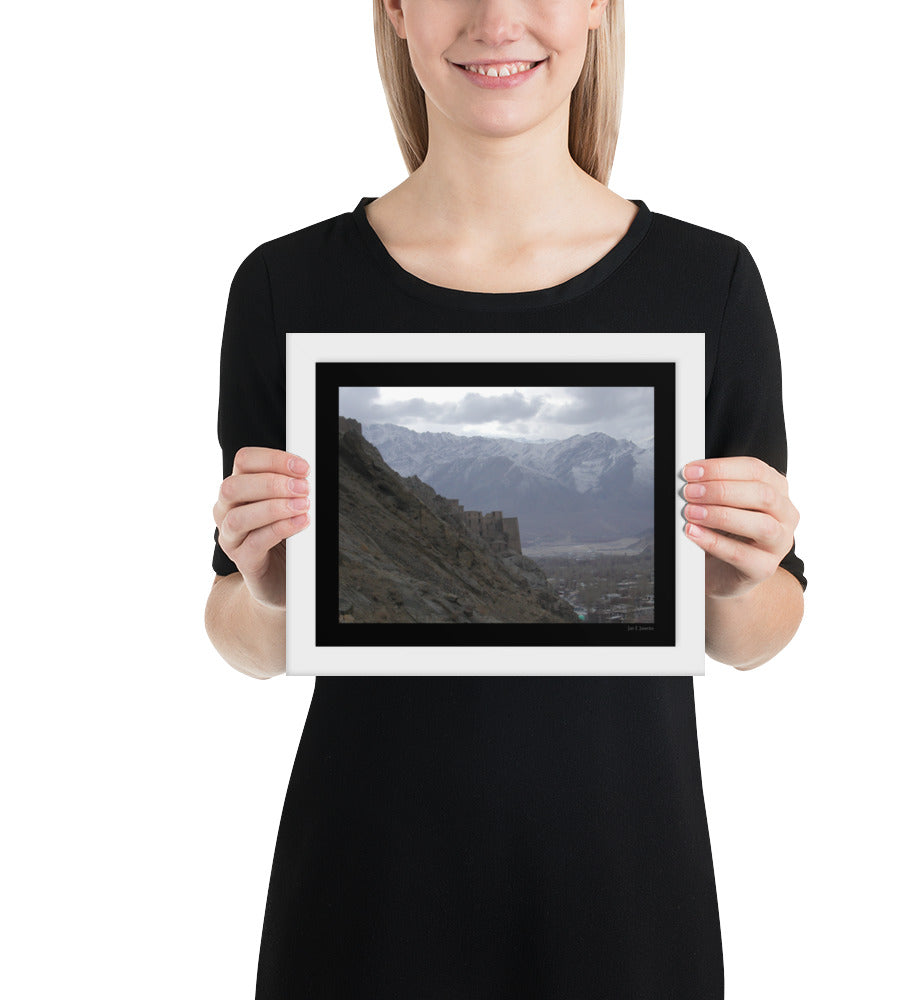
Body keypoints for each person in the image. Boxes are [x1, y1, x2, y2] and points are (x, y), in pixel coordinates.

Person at [205, 1, 807, 996]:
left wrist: (741, 572)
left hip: (621, 889)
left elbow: (757, 632)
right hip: (366, 893)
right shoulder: (286, 287)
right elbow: (238, 631)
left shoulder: (707, 285)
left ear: (599, 9)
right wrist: (268, 584)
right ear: (396, 9)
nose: (497, 17)